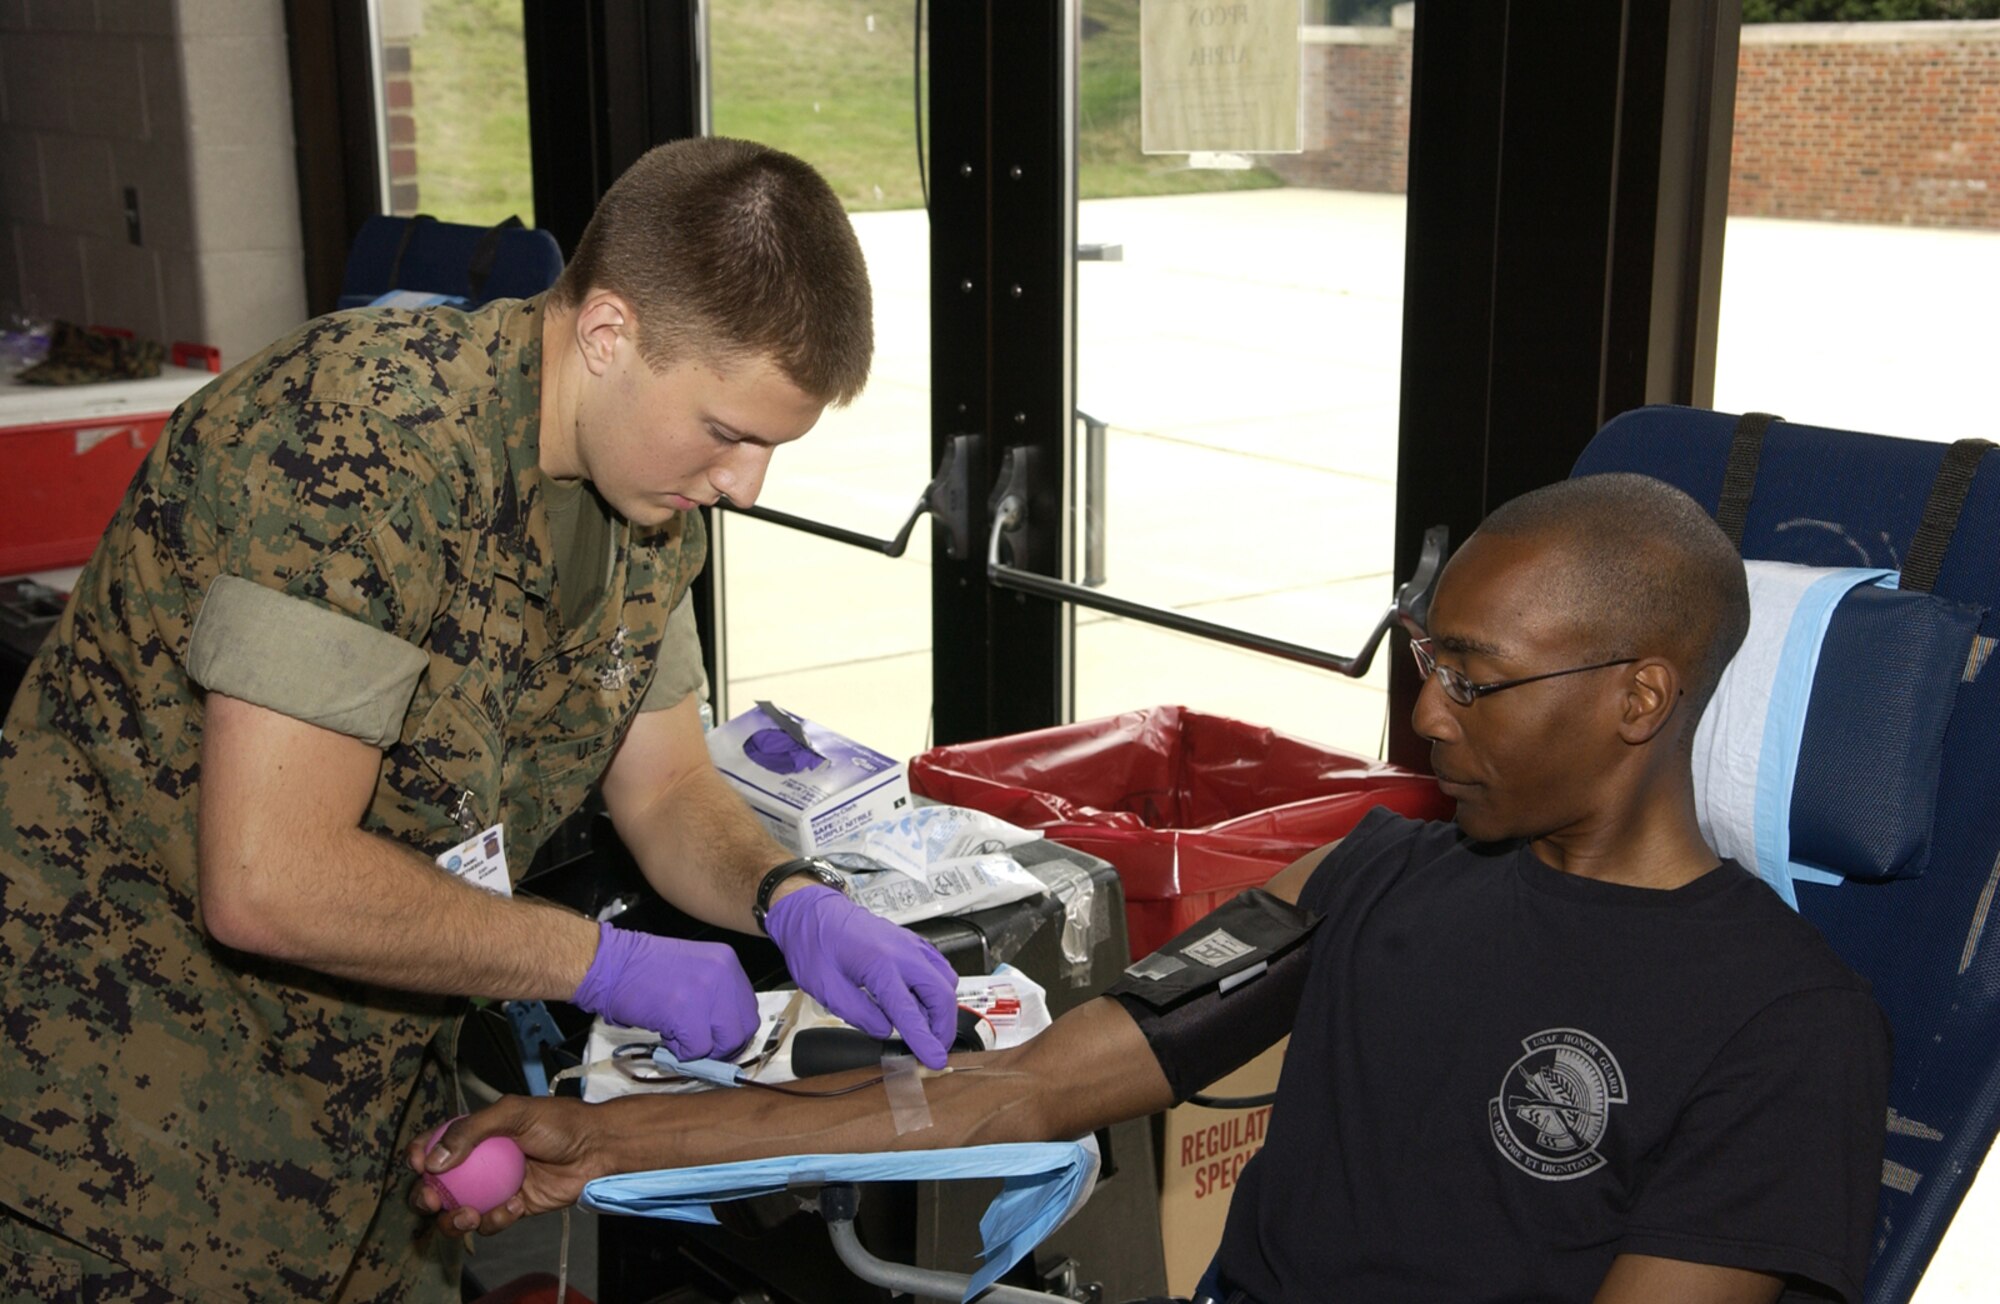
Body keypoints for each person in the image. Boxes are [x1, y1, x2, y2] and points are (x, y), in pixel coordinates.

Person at [414, 474, 1893, 1304]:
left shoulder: (1780, 1029)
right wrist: (613, 1138)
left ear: (1644, 697)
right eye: (1424, 662)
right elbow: (1027, 1091)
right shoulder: (1374, 872)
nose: (1426, 721)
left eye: (1478, 683)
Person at [0, 137, 961, 1301]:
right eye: (728, 431)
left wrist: (789, 896)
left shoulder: (643, 507)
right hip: (106, 1135)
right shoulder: (356, 447)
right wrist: (601, 962)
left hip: (368, 1129)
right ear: (607, 334)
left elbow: (660, 787)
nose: (747, 484)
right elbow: (267, 875)